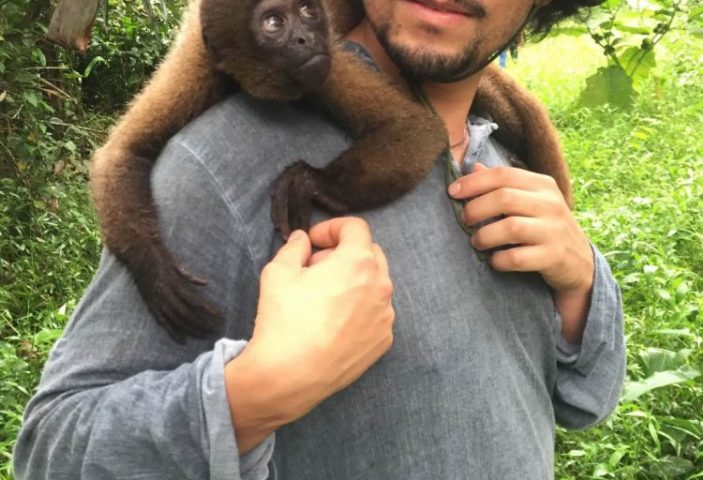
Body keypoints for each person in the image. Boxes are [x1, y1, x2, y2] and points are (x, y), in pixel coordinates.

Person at [14, 0, 626, 478]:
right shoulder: (220, 164)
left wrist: (581, 287)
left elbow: (583, 403)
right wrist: (254, 392)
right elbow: (52, 454)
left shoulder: (507, 155)